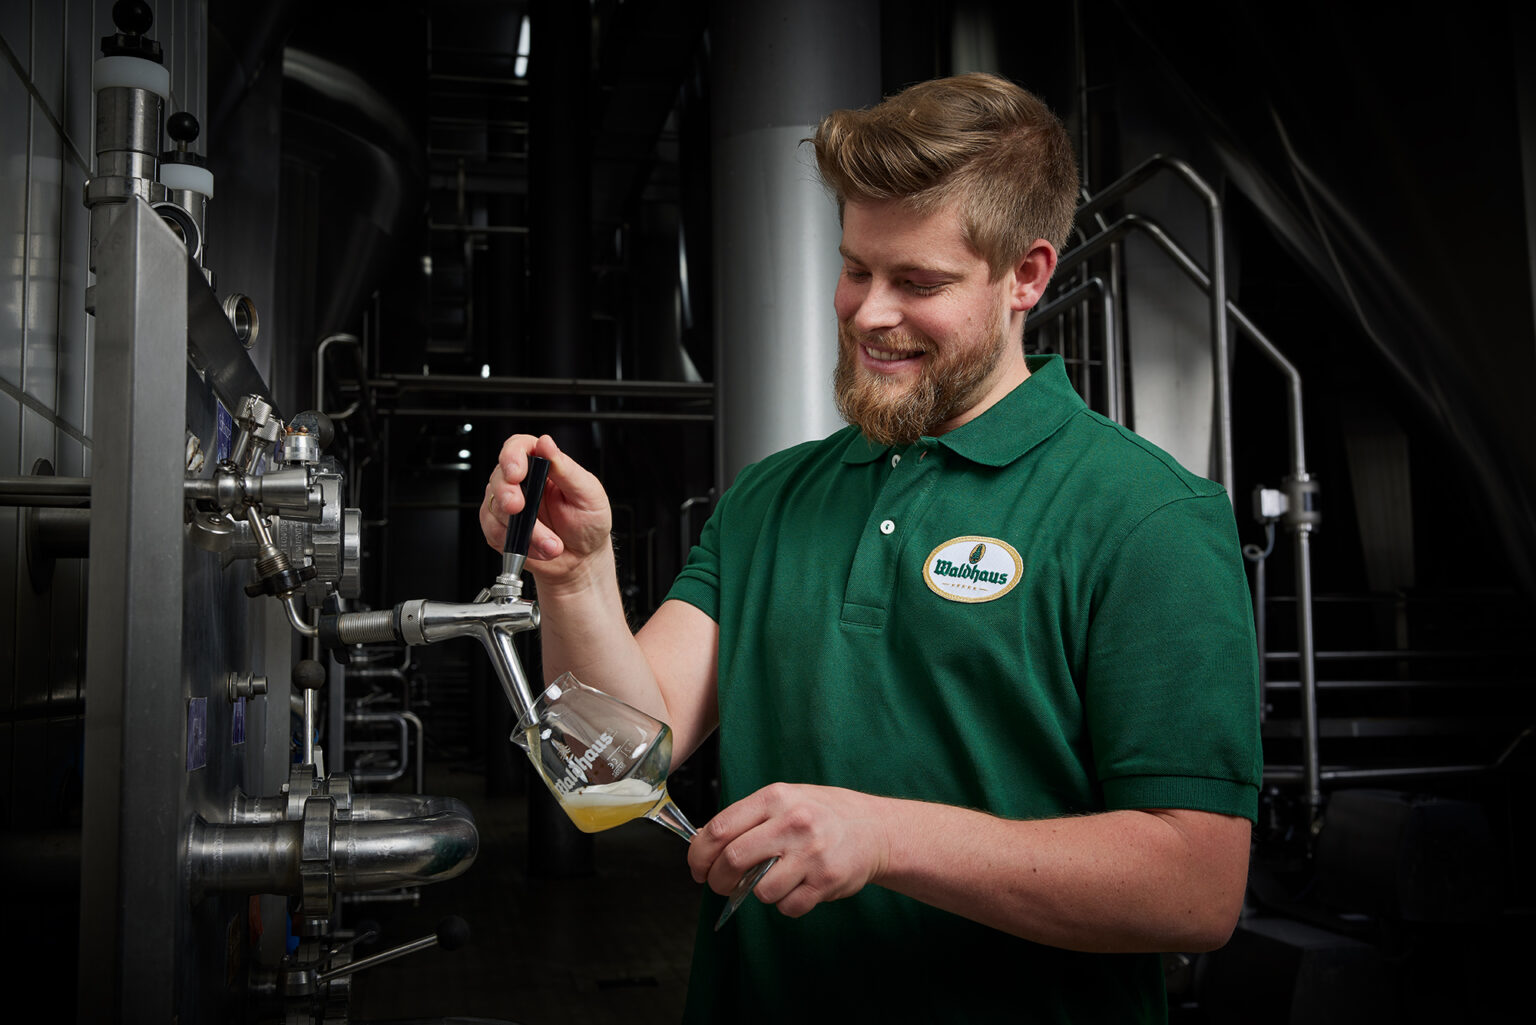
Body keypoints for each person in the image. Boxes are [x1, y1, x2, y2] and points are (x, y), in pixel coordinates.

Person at [481, 72, 1261, 1023]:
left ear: (1027, 275)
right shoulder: (775, 496)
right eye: (856, 267)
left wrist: (884, 837)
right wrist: (575, 576)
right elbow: (606, 772)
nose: (867, 312)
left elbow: (1197, 887)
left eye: (918, 282)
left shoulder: (1146, 516)